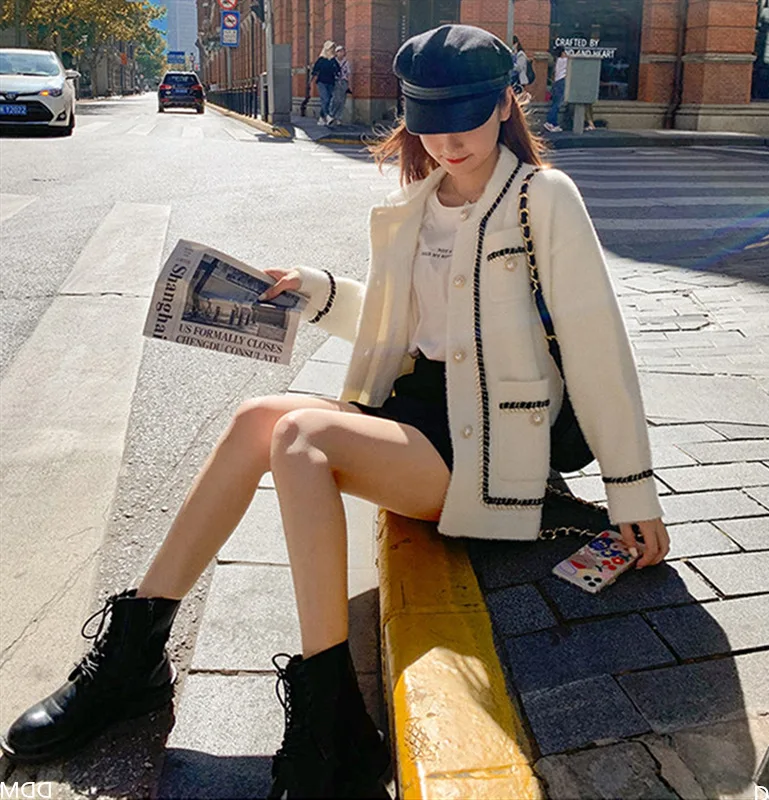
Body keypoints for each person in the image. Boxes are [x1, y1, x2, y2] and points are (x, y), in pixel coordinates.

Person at [0, 23, 670, 799]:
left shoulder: (542, 199)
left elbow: (597, 347)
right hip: (418, 415)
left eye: (466, 119)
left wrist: (633, 493)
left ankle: (331, 719)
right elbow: (400, 325)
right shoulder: (417, 203)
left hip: (489, 444)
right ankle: (134, 656)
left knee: (300, 434)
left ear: (504, 106)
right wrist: (315, 291)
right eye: (430, 122)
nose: (449, 141)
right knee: (257, 418)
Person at [311, 40, 340, 125]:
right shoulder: (321, 59)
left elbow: (338, 69)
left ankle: (321, 118)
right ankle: (328, 116)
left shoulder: (333, 60)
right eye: (331, 48)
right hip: (322, 82)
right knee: (325, 98)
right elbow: (315, 69)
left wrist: (336, 72)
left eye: (333, 48)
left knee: (328, 100)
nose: (332, 50)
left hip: (331, 82)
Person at [545, 45, 568, 132]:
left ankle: (553, 123)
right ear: (562, 53)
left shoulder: (557, 60)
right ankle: (550, 122)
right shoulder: (564, 60)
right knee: (557, 104)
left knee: (555, 103)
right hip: (561, 82)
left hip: (556, 82)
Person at [329, 44, 352, 125]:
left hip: (344, 81)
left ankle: (339, 117)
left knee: (342, 100)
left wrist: (349, 84)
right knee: (335, 99)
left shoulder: (346, 62)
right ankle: (331, 115)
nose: (341, 53)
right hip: (335, 81)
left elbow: (348, 74)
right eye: (339, 51)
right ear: (336, 53)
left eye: (342, 51)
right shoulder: (333, 62)